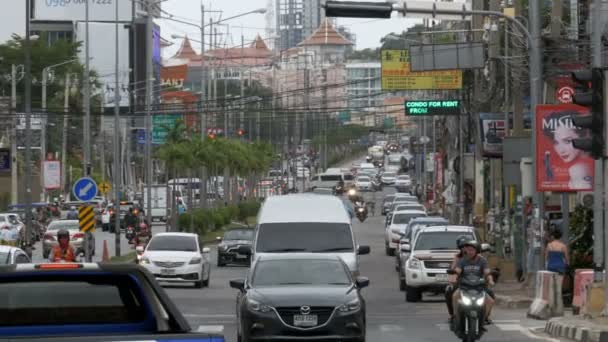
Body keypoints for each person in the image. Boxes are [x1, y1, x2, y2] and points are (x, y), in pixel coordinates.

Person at [541, 111, 593, 190]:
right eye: (556, 143)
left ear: (582, 136)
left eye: (567, 141)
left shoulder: (577, 169)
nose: (561, 150)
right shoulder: (589, 163)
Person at [452, 240, 495, 328]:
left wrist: (490, 280)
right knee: (454, 296)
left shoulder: (482, 260)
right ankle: (456, 317)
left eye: (472, 250)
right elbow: (458, 271)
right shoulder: (463, 260)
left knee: (490, 301)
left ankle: (484, 319)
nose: (469, 252)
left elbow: (487, 272)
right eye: (468, 250)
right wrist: (454, 276)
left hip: (479, 287)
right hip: (464, 287)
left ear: (477, 251)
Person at [446, 235, 469, 322]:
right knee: (449, 291)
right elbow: (453, 270)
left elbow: (484, 269)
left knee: (489, 294)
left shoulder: (477, 257)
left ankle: (486, 316)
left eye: (466, 246)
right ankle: (452, 314)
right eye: (462, 246)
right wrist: (451, 282)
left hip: (476, 281)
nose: (465, 248)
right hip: (461, 281)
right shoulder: (457, 257)